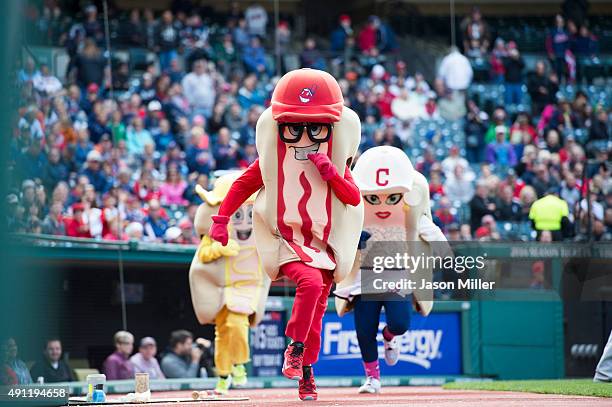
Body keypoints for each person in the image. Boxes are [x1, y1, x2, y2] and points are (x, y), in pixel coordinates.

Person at [208, 69, 363, 401]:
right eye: (295, 128)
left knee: (318, 310)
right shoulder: (271, 160)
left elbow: (352, 197)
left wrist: (332, 173)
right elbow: (243, 184)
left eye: (316, 128)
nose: (305, 137)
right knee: (308, 284)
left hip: (325, 243)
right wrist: (221, 218)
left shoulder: (335, 158)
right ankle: (294, 347)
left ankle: (307, 371)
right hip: (285, 238)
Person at [334, 147, 447, 394]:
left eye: (392, 197)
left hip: (398, 274)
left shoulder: (410, 213)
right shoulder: (355, 213)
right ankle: (372, 378)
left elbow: (429, 229)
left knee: (400, 322)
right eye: (374, 198)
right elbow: (338, 234)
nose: (383, 203)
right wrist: (353, 241)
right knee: (363, 329)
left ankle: (388, 336)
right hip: (365, 276)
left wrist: (445, 253)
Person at [190, 174, 270, 394]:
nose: (244, 220)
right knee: (222, 333)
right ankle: (224, 376)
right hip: (221, 289)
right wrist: (219, 248)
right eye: (237, 212)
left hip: (246, 287)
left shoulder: (262, 233)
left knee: (237, 325)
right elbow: (203, 254)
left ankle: (239, 363)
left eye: (249, 213)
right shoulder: (217, 231)